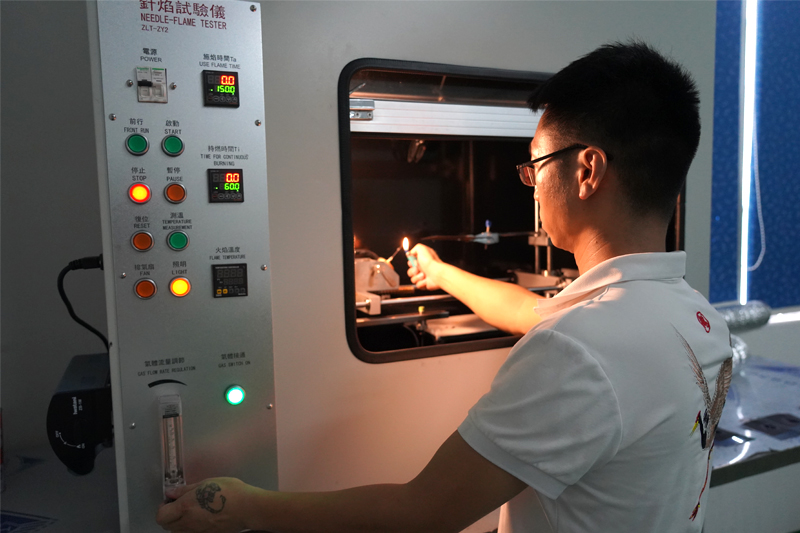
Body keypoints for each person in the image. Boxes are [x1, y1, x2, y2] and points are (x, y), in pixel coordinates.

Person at [156, 40, 733, 533]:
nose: (532, 185)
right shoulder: (692, 319)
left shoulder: (579, 352)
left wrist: (247, 505)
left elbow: (423, 513)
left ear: (586, 171)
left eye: (536, 164)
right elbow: (534, 312)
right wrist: (438, 272)